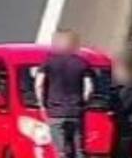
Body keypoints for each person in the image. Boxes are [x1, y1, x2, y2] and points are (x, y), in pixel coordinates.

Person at [36, 30, 94, 158]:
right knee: (79, 151)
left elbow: (39, 84)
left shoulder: (48, 62)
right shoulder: (82, 64)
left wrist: (42, 105)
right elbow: (89, 88)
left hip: (55, 113)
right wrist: (83, 103)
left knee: (61, 152)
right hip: (76, 112)